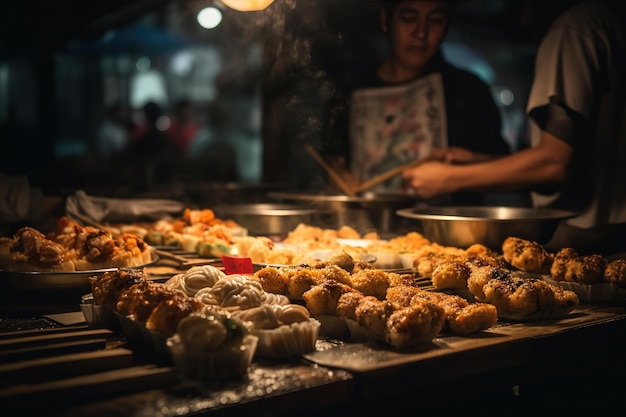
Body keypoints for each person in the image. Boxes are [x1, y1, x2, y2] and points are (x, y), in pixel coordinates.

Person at [401, 0, 626, 254]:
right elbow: (581, 155)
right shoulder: (610, 17)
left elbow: (554, 164)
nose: (522, 19)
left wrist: (447, 178)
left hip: (589, 243)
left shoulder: (573, 29)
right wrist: (474, 161)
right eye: (408, 18)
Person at [321, 0, 512, 205]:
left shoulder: (468, 90)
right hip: (363, 231)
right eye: (409, 19)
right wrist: (336, 174)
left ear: (446, 27)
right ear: (386, 21)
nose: (421, 33)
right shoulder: (350, 92)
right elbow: (331, 159)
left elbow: (509, 169)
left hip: (450, 234)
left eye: (435, 21)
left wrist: (465, 167)